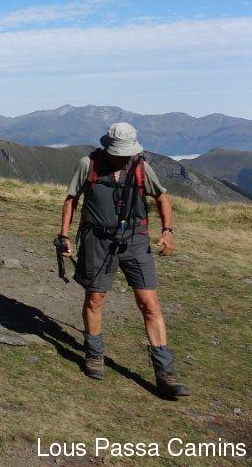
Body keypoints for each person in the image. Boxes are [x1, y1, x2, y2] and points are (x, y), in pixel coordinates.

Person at [58, 122, 189, 399]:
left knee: (149, 303)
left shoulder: (141, 167)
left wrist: (168, 231)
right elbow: (71, 199)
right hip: (98, 240)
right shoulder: (88, 164)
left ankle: (165, 372)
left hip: (135, 240)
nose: (123, 157)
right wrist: (64, 235)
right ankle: (95, 354)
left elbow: (162, 196)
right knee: (95, 299)